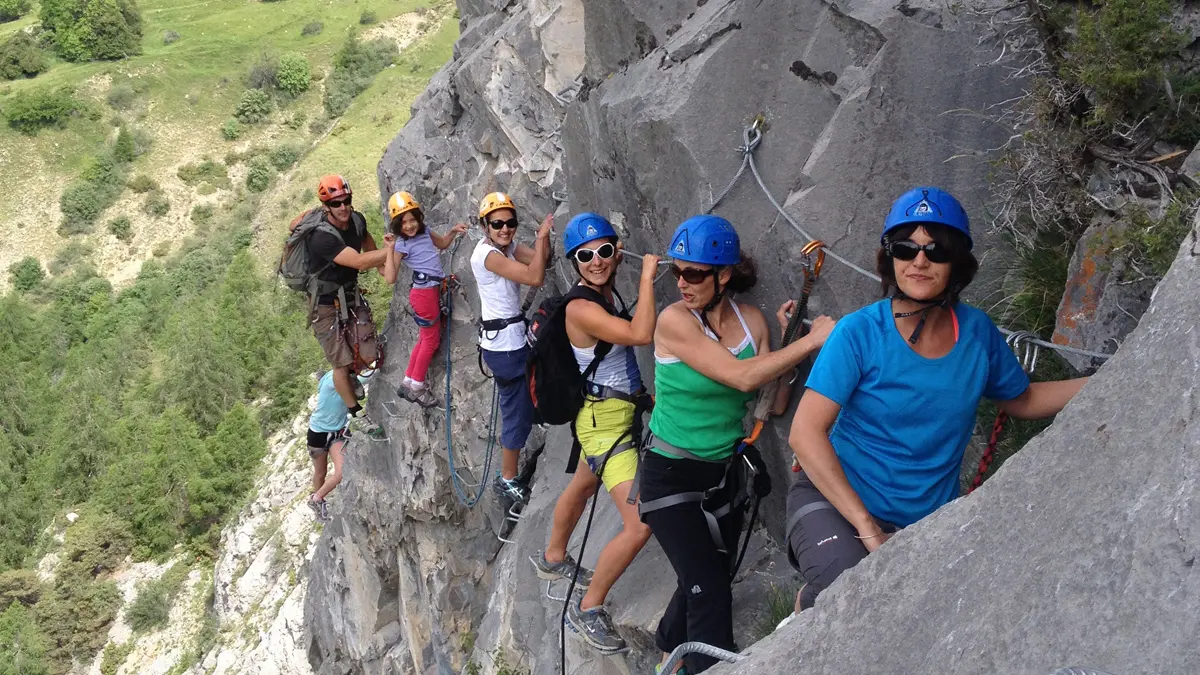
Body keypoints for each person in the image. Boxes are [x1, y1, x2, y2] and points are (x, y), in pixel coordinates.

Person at [785, 186, 1089, 615]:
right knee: (846, 586)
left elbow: (1021, 400)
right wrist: (868, 529)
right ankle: (803, 616)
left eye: (937, 249)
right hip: (834, 501)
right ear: (890, 257)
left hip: (924, 519)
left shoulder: (977, 334)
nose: (920, 260)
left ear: (957, 262)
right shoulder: (859, 332)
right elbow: (805, 432)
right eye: (906, 247)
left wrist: (1104, 381)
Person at [641, 215, 835, 674]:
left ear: (723, 275)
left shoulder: (751, 324)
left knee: (706, 575)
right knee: (709, 588)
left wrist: (789, 341)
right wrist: (810, 343)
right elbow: (741, 375)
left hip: (722, 477)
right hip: (670, 473)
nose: (682, 283)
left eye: (693, 273)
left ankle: (669, 648)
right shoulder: (673, 322)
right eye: (677, 271)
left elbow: (775, 400)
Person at [527, 213, 660, 653]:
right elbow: (640, 334)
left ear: (615, 250)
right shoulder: (582, 307)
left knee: (584, 484)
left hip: (601, 418)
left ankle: (553, 557)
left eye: (605, 250)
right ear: (573, 262)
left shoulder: (601, 294)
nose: (597, 261)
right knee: (640, 524)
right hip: (606, 426)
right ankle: (587, 607)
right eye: (586, 255)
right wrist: (646, 277)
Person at [469, 192, 553, 505]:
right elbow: (536, 275)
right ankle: (506, 479)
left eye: (510, 222)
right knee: (514, 409)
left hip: (512, 340)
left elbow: (541, 260)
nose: (505, 228)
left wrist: (544, 245)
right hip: (503, 347)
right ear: (485, 226)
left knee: (525, 394)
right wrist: (542, 237)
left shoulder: (506, 247)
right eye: (497, 224)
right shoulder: (487, 256)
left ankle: (537, 417)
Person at [307, 175, 388, 436]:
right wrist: (400, 248)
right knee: (340, 364)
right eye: (336, 204)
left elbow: (369, 247)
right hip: (324, 305)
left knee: (368, 350)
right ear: (326, 207)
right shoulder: (321, 237)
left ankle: (354, 373)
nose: (343, 208)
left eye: (346, 201)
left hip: (350, 295)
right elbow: (360, 261)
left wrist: (386, 271)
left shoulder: (357, 220)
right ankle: (356, 413)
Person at [381, 191, 468, 408]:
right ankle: (417, 386)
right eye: (404, 223)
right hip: (424, 293)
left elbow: (443, 244)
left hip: (426, 292)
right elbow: (390, 277)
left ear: (419, 218)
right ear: (397, 226)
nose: (409, 226)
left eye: (412, 220)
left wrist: (453, 231)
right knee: (431, 340)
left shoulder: (426, 232)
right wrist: (390, 249)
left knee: (423, 338)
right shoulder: (401, 245)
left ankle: (409, 380)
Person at [307, 369, 369, 521]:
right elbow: (360, 379)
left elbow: (364, 377)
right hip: (318, 433)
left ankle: (316, 498)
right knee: (320, 473)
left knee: (341, 472)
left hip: (336, 433)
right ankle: (319, 501)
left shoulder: (340, 377)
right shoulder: (333, 380)